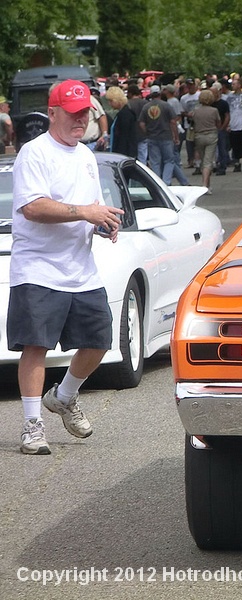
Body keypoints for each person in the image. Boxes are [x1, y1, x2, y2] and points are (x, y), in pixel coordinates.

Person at [10, 79, 124, 455]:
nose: (80, 121)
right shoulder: (34, 152)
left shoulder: (86, 155)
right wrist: (86, 212)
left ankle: (63, 396)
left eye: (85, 114)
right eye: (73, 114)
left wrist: (102, 222)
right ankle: (31, 425)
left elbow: (89, 206)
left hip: (80, 269)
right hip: (39, 268)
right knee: (36, 346)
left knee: (98, 341)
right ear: (53, 113)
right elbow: (33, 207)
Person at [192, 89, 221, 191]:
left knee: (203, 159)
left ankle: (207, 184)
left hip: (199, 136)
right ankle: (205, 185)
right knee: (208, 162)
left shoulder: (196, 111)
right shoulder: (214, 111)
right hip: (211, 135)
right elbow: (218, 123)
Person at [104, 85, 138, 158]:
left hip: (122, 153)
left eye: (111, 101)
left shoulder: (124, 115)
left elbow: (124, 138)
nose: (109, 104)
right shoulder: (124, 113)